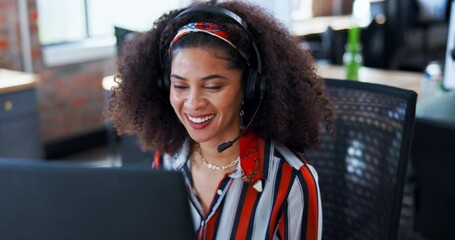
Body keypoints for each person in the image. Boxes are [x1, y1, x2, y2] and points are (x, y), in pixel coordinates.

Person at [107, 0, 334, 239]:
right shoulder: (166, 160)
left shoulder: (291, 181)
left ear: (249, 87)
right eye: (180, 85)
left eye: (213, 86)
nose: (193, 103)